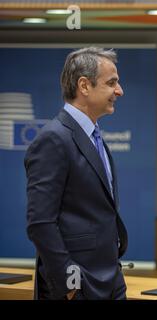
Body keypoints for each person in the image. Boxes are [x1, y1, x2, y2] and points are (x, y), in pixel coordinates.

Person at [24, 47, 128, 300]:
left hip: (109, 278)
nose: (119, 91)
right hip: (77, 285)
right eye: (112, 82)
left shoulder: (94, 135)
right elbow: (40, 222)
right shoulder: (53, 138)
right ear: (84, 86)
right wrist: (69, 284)